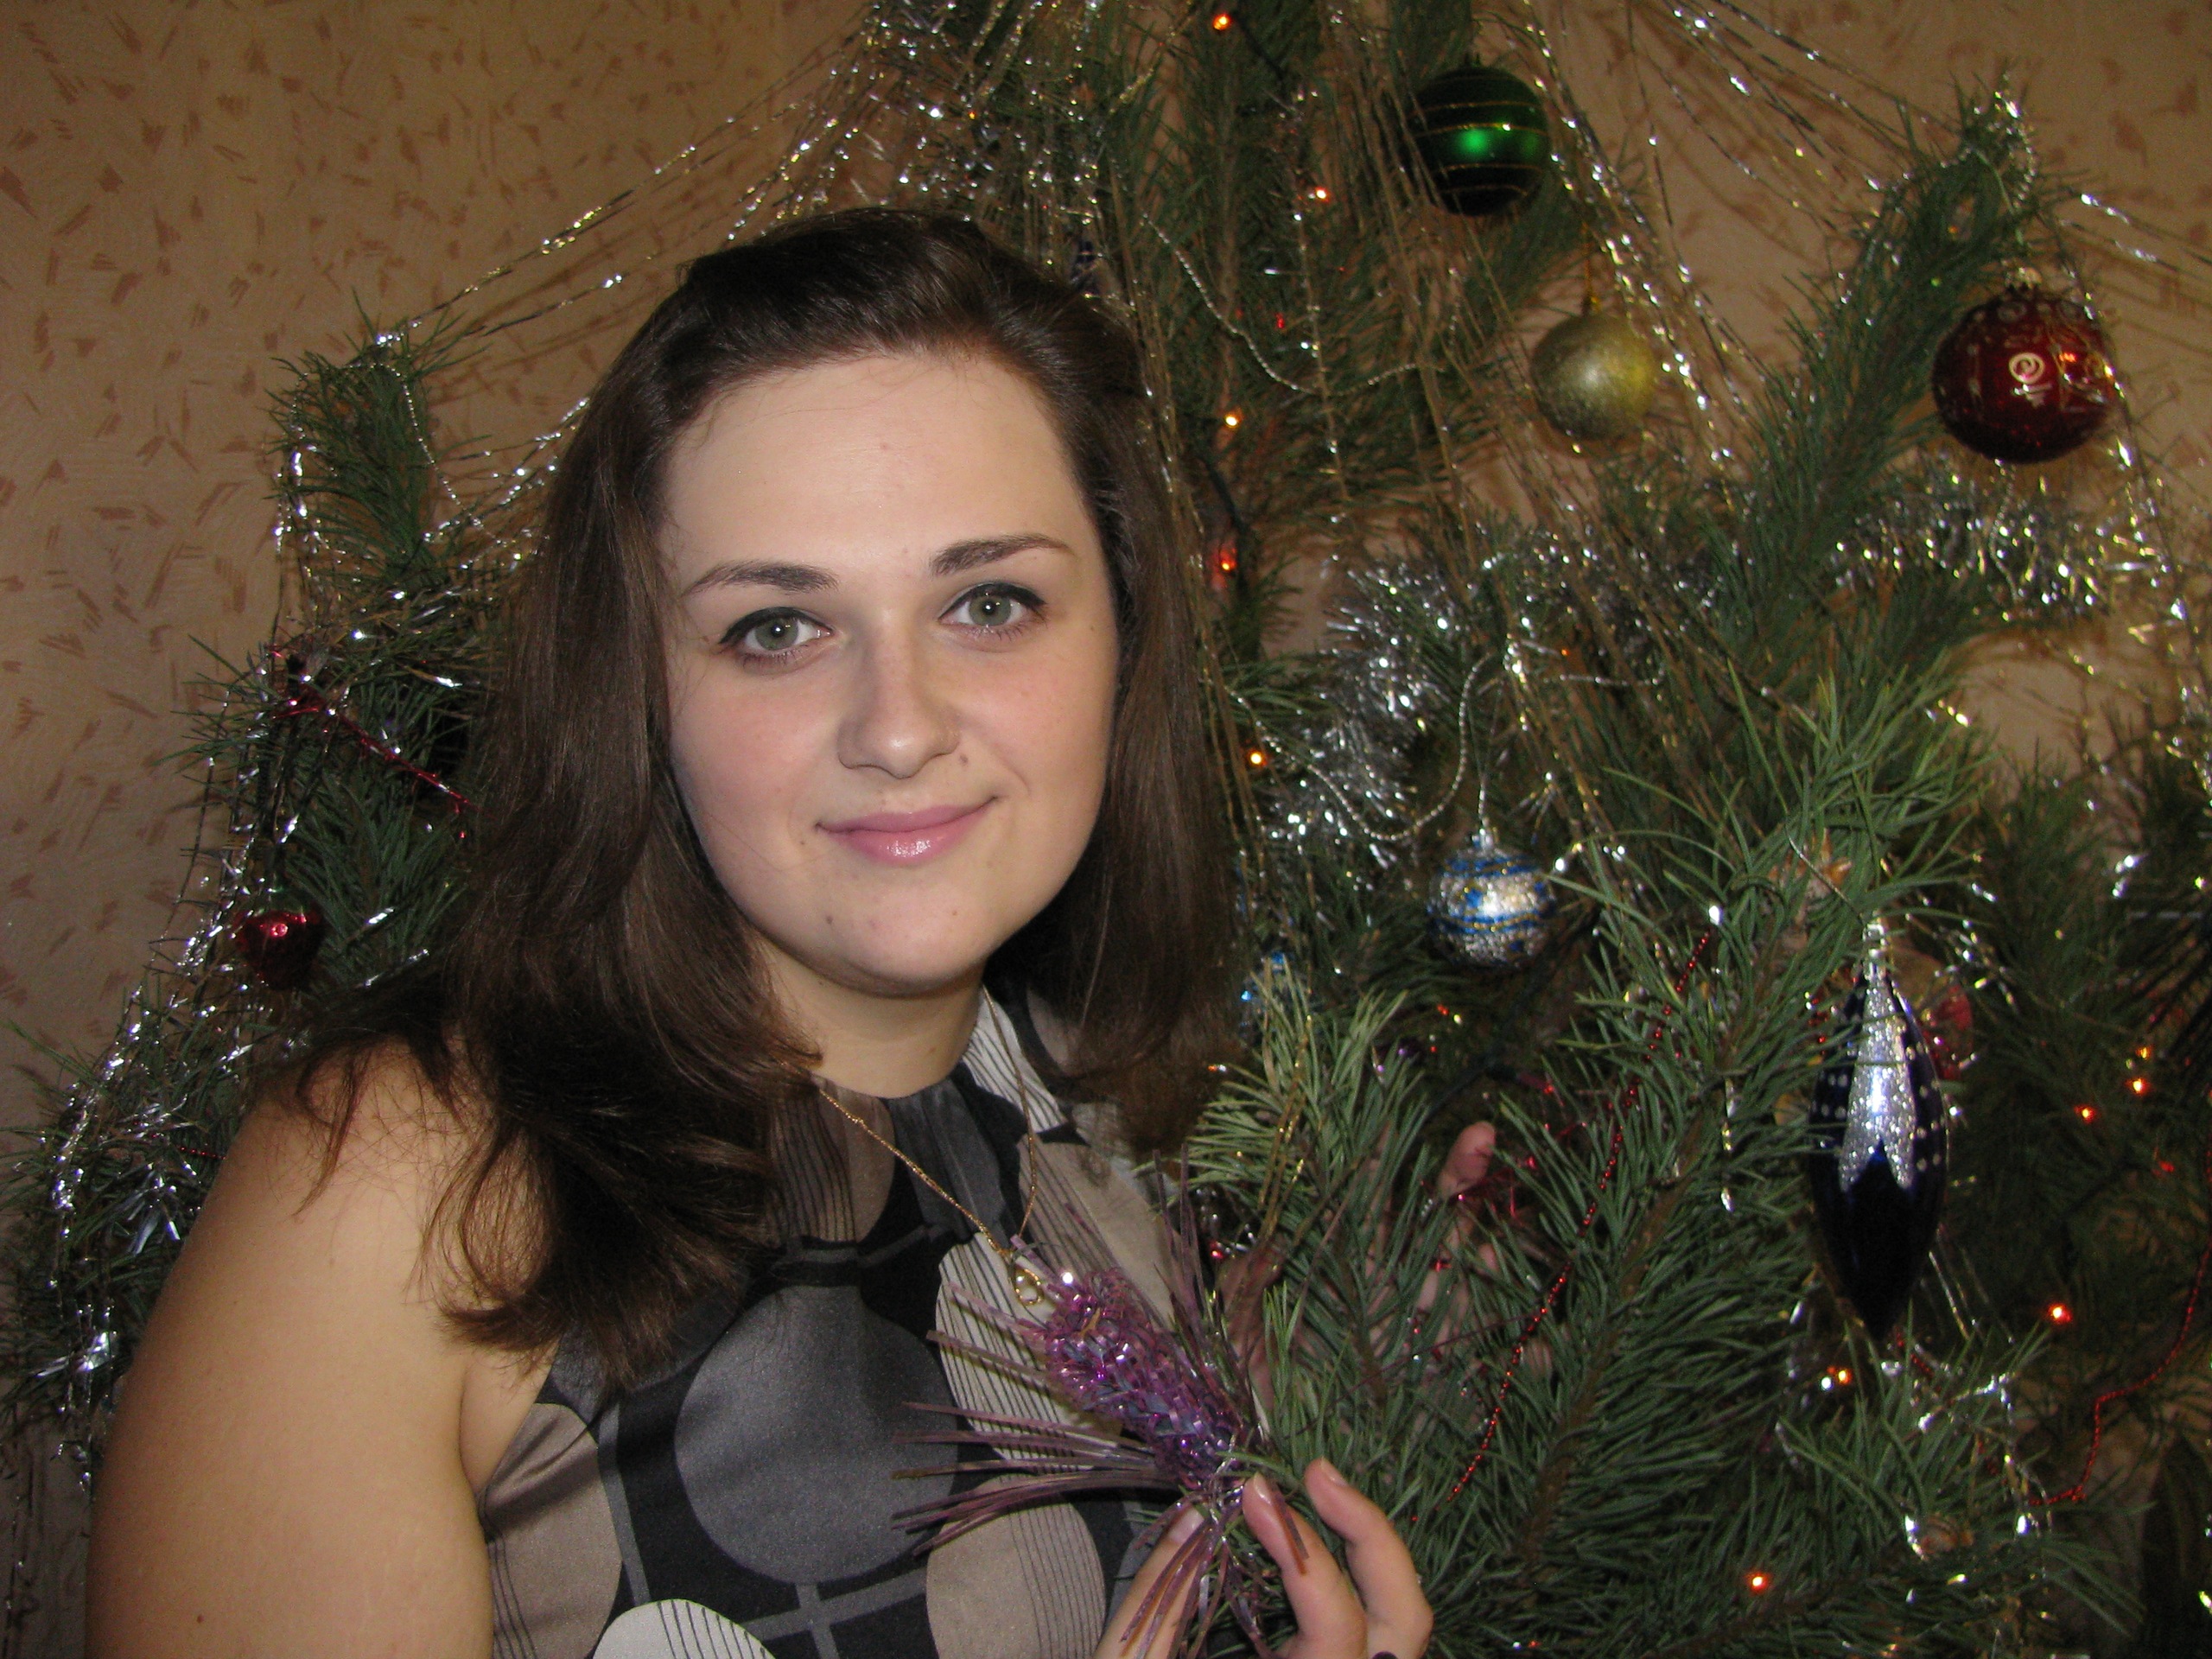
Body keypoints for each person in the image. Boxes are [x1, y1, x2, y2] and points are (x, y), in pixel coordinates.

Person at [85, 209, 1435, 1659]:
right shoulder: (407, 1180)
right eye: (777, 628)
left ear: (1123, 636)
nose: (899, 729)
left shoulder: (1144, 1110)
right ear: (640, 691)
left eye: (990, 602)